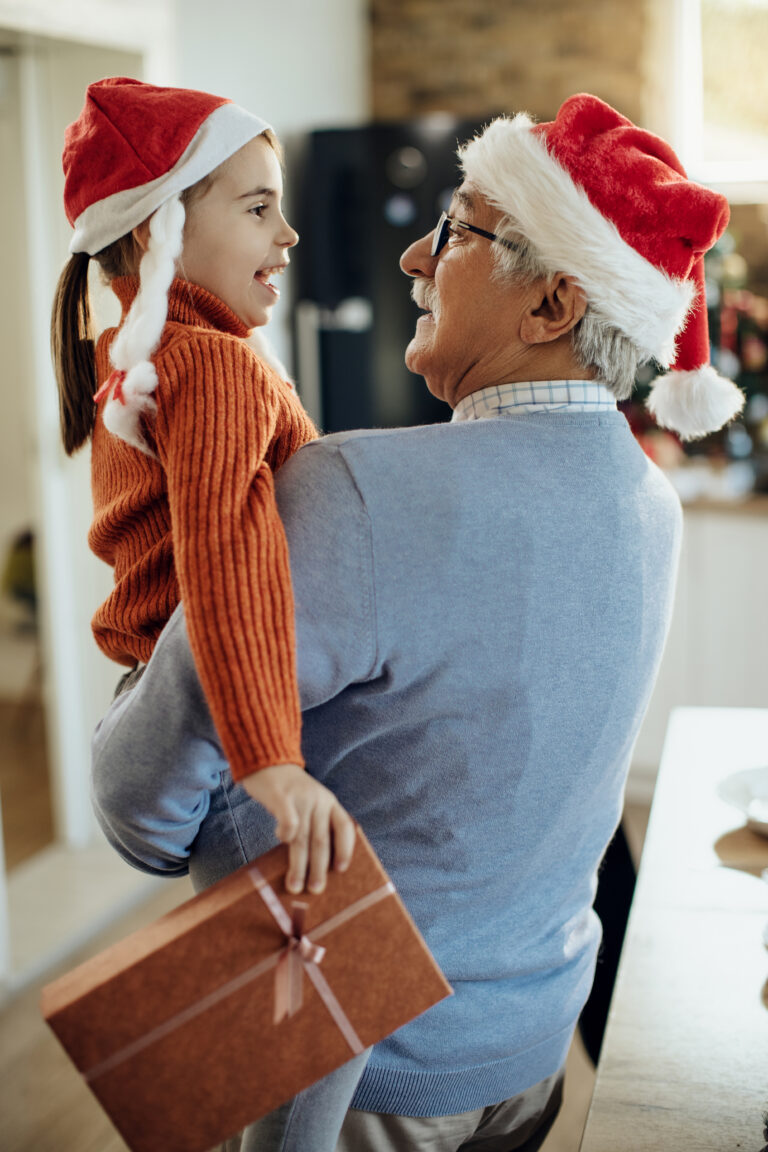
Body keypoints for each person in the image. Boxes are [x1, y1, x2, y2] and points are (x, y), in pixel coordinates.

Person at [90, 94, 743, 1151]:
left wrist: (140, 685)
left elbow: (138, 809)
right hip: (529, 1056)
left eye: (454, 231)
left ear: (552, 307)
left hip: (363, 1078)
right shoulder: (649, 501)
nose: (410, 257)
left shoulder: (354, 489)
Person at [51, 77, 363, 1152]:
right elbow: (228, 560)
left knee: (274, 1030)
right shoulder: (219, 367)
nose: (286, 233)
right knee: (307, 1031)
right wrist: (273, 757)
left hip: (188, 722)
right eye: (256, 206)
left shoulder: (157, 357)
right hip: (225, 746)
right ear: (160, 230)